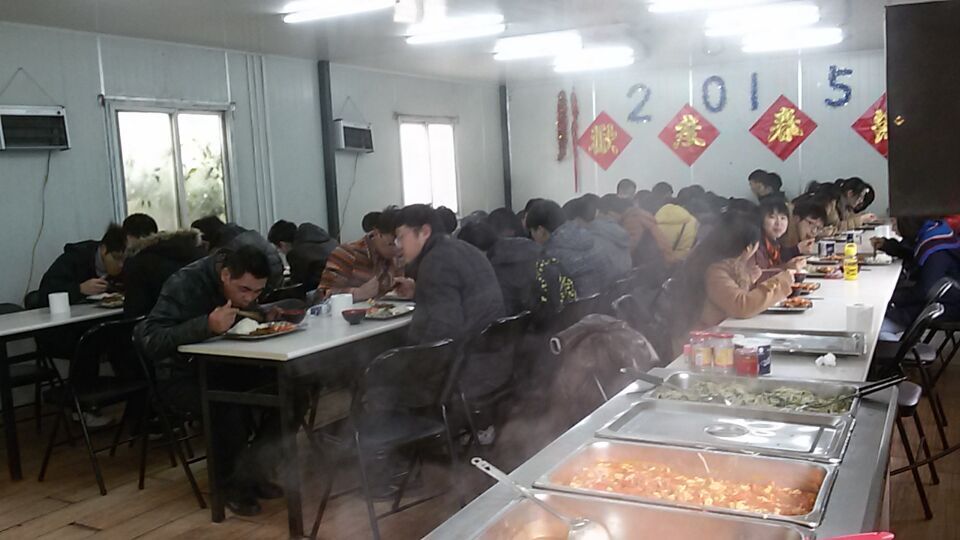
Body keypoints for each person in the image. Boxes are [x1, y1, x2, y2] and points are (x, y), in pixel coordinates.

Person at [135, 246, 285, 516]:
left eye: (258, 292)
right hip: (180, 376)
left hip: (229, 367)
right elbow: (150, 339)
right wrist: (206, 325)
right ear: (225, 275)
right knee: (226, 404)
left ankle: (255, 470)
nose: (250, 298)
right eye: (244, 290)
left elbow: (247, 311)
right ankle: (231, 486)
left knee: (291, 390)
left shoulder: (245, 292)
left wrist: (263, 313)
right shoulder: (185, 284)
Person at [394, 204, 504, 344]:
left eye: (401, 237)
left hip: (471, 350)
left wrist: (416, 355)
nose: (398, 246)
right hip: (493, 344)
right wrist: (418, 291)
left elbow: (443, 330)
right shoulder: (464, 248)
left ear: (425, 232)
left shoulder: (435, 261)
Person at [673, 215, 794, 332]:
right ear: (749, 247)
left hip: (715, 333)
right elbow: (741, 306)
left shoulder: (720, 264)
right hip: (701, 339)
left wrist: (748, 279)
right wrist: (780, 282)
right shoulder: (715, 271)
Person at [884, 219, 960, 333]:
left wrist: (889, 296)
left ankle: (899, 343)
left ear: (907, 223)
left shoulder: (936, 250)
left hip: (948, 305)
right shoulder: (935, 232)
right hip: (942, 298)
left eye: (895, 222)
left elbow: (924, 292)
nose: (893, 228)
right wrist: (890, 247)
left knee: (879, 325)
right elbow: (915, 255)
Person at [526, 199, 614, 296]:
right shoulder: (593, 240)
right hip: (606, 302)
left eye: (532, 232)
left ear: (540, 230)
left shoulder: (550, 258)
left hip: (577, 305)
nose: (532, 237)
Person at [459, 219, 541, 316]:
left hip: (526, 319)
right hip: (549, 311)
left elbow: (502, 311)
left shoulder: (493, 269)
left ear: (472, 250)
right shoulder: (526, 244)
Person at [318, 210, 402, 302]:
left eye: (402, 245)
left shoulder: (398, 257)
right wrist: (357, 293)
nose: (398, 251)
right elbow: (322, 296)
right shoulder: (348, 253)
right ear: (377, 233)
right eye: (392, 244)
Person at [123, 229, 206, 318]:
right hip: (204, 321)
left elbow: (134, 312)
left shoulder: (139, 263)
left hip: (161, 322)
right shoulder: (201, 256)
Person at [39, 223, 127, 306]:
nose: (121, 265)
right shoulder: (75, 258)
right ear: (104, 249)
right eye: (117, 258)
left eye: (124, 259)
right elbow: (46, 291)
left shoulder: (127, 263)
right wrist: (80, 289)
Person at [751, 199, 809, 270]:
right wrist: (786, 267)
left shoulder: (775, 243)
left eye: (783, 218)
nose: (778, 223)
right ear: (761, 220)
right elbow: (761, 273)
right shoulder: (757, 245)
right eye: (772, 217)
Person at [285, 223, 338, 290]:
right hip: (342, 283)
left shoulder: (297, 252)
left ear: (282, 244)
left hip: (320, 289)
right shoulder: (333, 242)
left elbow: (297, 282)